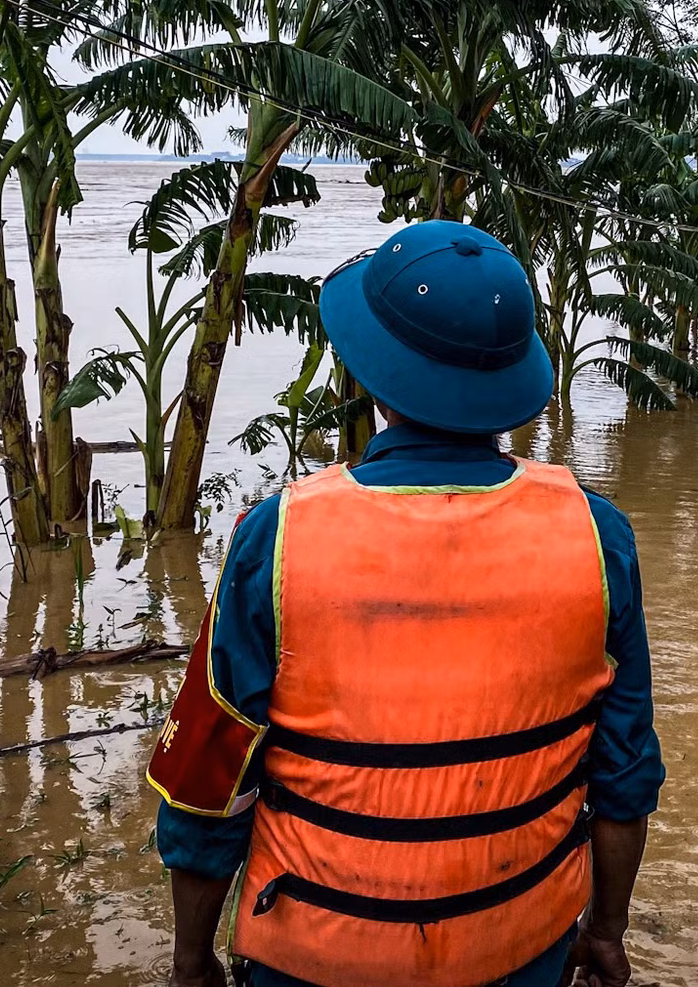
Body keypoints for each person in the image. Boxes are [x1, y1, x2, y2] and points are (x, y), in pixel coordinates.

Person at [149, 220, 665, 987]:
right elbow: (623, 778)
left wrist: (193, 962)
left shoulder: (279, 538)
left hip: (315, 955)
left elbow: (210, 785)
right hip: (521, 945)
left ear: (375, 376)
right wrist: (608, 930)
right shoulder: (598, 538)